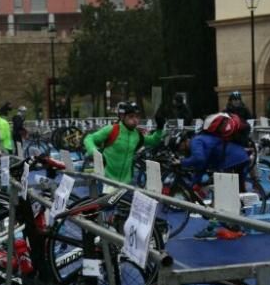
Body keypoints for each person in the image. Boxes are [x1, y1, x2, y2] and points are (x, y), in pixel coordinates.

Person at [179, 113, 248, 241]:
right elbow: (202, 165)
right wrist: (195, 183)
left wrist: (182, 163)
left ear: (185, 141)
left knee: (221, 198)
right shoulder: (205, 138)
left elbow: (199, 159)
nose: (182, 151)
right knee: (231, 194)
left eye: (181, 148)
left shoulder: (196, 141)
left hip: (232, 160)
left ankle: (220, 228)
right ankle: (236, 223)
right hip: (239, 158)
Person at [83, 101, 164, 185]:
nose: (135, 120)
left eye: (137, 116)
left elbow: (153, 141)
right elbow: (89, 138)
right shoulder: (112, 129)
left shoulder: (137, 135)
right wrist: (94, 152)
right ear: (122, 116)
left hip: (126, 183)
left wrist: (160, 128)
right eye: (131, 116)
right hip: (106, 181)